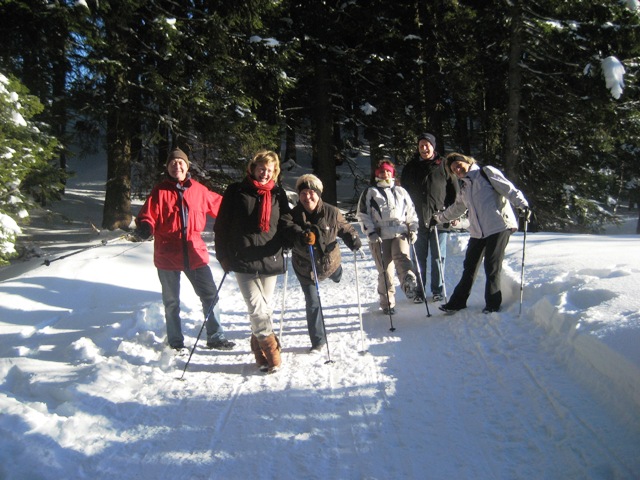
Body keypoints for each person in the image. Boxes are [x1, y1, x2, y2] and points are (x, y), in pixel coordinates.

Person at [134, 147, 235, 352]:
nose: (177, 166)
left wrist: (244, 212)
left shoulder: (199, 190)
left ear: (187, 166)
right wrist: (145, 226)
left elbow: (224, 208)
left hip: (194, 252)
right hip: (167, 254)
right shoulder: (159, 191)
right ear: (168, 167)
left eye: (181, 162)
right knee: (171, 302)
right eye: (173, 163)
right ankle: (175, 342)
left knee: (210, 295)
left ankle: (216, 337)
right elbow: (148, 215)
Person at [214, 150, 291, 373]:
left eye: (269, 170)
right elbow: (221, 225)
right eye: (261, 168)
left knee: (264, 309)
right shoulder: (235, 191)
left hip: (269, 257)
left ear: (274, 172)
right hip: (243, 258)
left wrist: (294, 238)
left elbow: (286, 222)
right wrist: (222, 255)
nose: (265, 173)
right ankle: (273, 353)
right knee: (257, 308)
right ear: (253, 168)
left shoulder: (278, 194)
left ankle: (260, 353)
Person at [434, 153, 529, 314]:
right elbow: (457, 208)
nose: (457, 170)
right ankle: (457, 303)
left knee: (492, 266)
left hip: (498, 226)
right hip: (478, 232)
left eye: (459, 165)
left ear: (467, 162)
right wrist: (439, 219)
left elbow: (508, 189)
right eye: (454, 169)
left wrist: (523, 205)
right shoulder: (464, 187)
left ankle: (492, 304)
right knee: (469, 267)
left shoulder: (486, 173)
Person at [288, 174, 362, 353]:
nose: (307, 197)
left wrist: (353, 239)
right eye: (303, 193)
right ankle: (318, 341)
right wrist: (299, 238)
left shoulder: (332, 212)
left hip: (330, 262)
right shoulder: (293, 215)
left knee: (336, 275)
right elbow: (288, 232)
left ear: (318, 193)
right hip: (305, 266)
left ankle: (337, 273)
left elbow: (345, 228)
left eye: (311, 192)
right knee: (312, 301)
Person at [400, 133, 458, 303]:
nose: (424, 148)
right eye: (421, 145)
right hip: (417, 219)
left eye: (427, 145)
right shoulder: (411, 167)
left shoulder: (444, 165)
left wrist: (453, 213)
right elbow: (403, 194)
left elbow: (455, 192)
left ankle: (437, 290)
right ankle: (419, 290)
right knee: (419, 257)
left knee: (438, 257)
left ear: (433, 146)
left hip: (440, 218)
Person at [357, 159, 419, 315]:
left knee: (402, 258)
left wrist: (413, 229)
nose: (385, 174)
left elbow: (411, 212)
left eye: (388, 171)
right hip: (380, 235)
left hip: (400, 231)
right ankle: (387, 303)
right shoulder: (370, 192)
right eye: (382, 171)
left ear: (392, 173)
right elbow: (363, 214)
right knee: (385, 271)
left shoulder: (401, 191)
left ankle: (408, 282)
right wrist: (370, 232)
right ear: (377, 174)